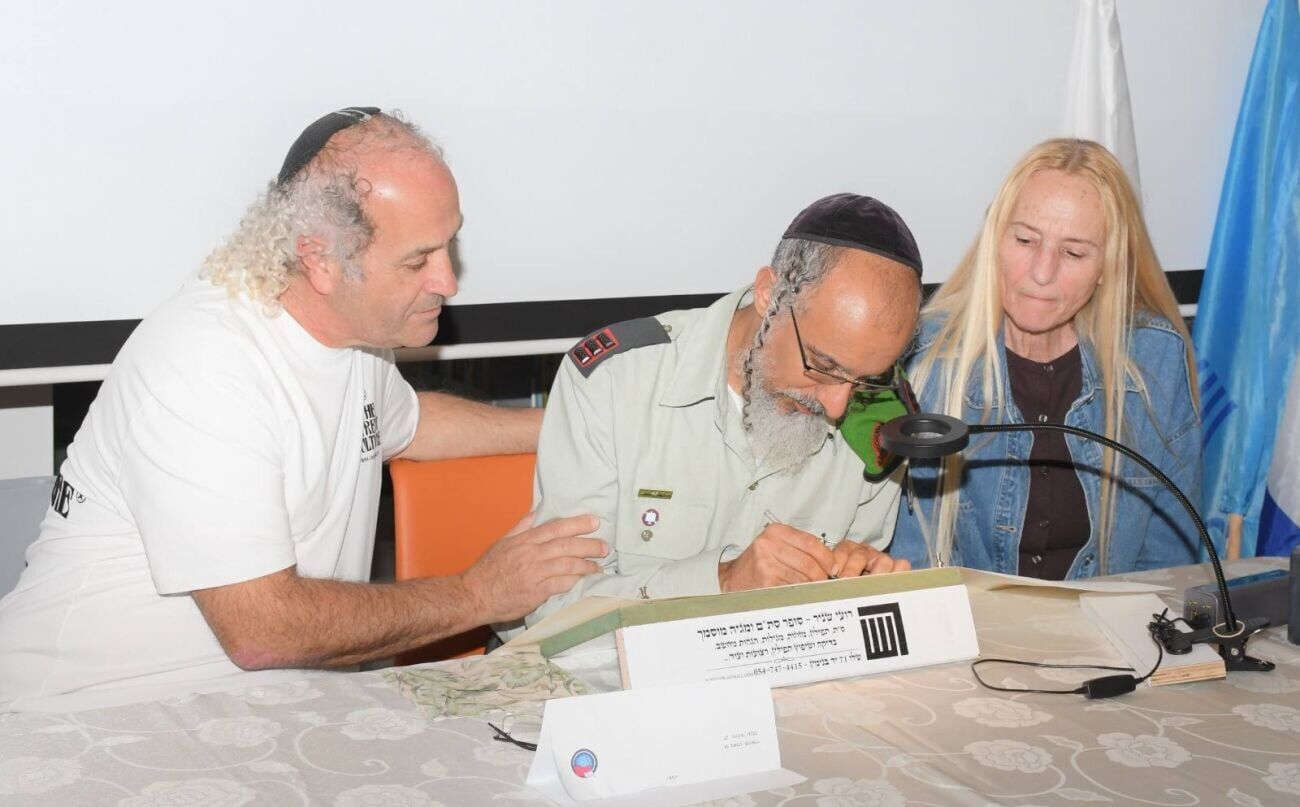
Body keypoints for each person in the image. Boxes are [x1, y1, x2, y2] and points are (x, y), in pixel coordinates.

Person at [0, 108, 605, 711]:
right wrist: (479, 595)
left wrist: (578, 426)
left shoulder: (358, 339)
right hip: (85, 714)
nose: (448, 280)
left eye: (450, 245)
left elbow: (413, 425)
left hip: (253, 709)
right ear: (319, 259)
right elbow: (262, 630)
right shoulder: (206, 362)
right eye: (417, 260)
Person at [504, 194, 921, 636]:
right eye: (821, 365)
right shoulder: (617, 382)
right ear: (769, 294)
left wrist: (858, 588)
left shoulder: (881, 425)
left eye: (867, 380)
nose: (837, 406)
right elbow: (555, 611)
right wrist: (721, 582)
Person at [891, 138, 1201, 579]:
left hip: (1115, 619)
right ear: (995, 238)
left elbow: (1169, 566)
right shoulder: (926, 355)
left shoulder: (1155, 358)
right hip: (973, 619)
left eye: (1073, 252)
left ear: (1107, 266)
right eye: (1025, 240)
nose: (1041, 273)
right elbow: (913, 561)